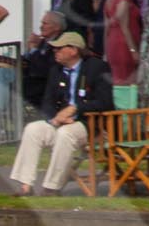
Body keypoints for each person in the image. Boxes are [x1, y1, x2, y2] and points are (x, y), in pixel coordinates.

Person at [7, 31, 112, 196]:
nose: (55, 51)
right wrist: (55, 118)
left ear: (74, 50)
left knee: (65, 134)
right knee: (33, 130)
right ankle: (25, 186)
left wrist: (75, 108)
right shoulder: (56, 70)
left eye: (59, 48)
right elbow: (47, 102)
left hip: (89, 125)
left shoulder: (97, 67)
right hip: (60, 122)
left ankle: (52, 188)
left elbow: (105, 102)